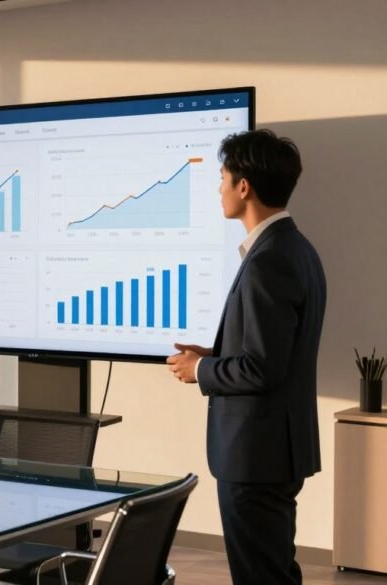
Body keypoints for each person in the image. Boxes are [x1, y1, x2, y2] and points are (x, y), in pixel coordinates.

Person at [166, 129, 326, 585]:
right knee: (274, 570)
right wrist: (215, 353)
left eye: (222, 177)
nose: (218, 188)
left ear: (244, 186)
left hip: (255, 455)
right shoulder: (298, 249)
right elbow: (276, 350)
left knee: (260, 575)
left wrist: (200, 369)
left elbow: (262, 367)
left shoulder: (268, 261)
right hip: (276, 449)